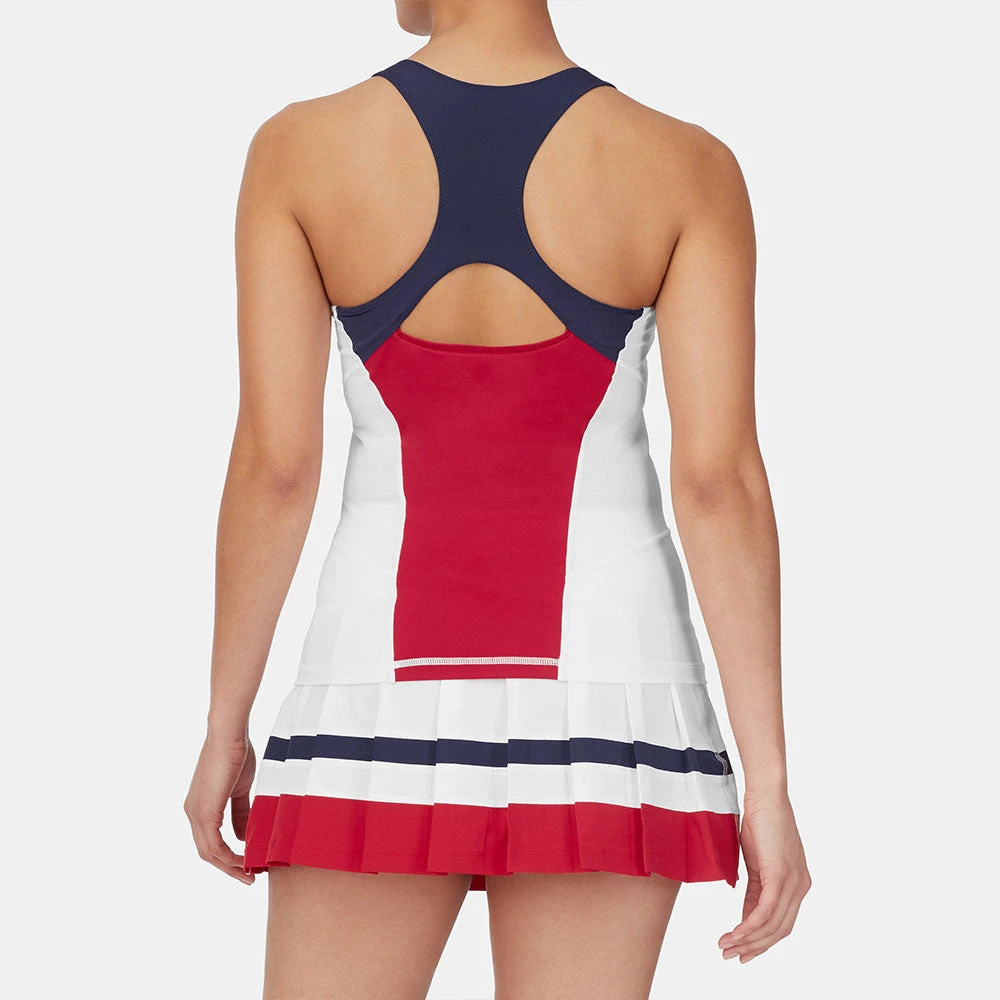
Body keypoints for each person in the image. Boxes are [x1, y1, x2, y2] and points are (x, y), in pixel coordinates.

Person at [184, 1, 811, 996]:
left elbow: (276, 470)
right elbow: (717, 482)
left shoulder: (302, 149)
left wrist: (225, 723)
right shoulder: (684, 164)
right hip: (611, 709)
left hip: (370, 698)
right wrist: (768, 784)